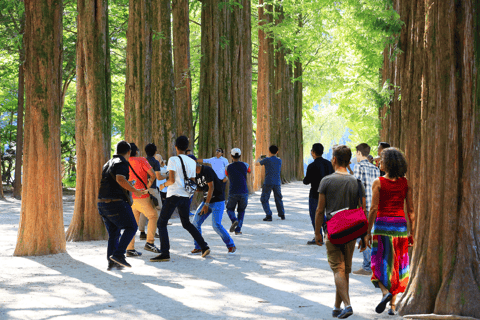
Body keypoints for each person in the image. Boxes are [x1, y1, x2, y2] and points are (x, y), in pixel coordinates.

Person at [314, 145, 368, 319]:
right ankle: (337, 307)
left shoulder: (327, 181)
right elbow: (363, 209)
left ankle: (348, 304)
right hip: (351, 232)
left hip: (333, 230)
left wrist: (317, 233)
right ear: (349, 161)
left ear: (334, 160)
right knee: (345, 271)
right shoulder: (356, 181)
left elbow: (319, 210)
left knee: (338, 269)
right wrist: (364, 235)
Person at [366, 147, 414, 315]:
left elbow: (373, 209)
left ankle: (385, 293)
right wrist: (412, 232)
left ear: (388, 164)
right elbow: (411, 211)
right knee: (397, 264)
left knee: (378, 262)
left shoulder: (378, 182)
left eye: (382, 160)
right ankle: (392, 307)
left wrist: (367, 232)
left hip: (382, 227)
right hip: (400, 228)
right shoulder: (405, 182)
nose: (379, 162)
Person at [151, 136, 210, 262]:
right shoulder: (192, 162)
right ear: (187, 147)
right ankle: (204, 246)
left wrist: (163, 185)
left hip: (174, 194)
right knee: (186, 223)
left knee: (161, 223)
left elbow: (171, 180)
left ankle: (165, 253)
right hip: (185, 196)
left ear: (176, 147)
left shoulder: (173, 159)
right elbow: (193, 181)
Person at [97, 141, 147, 269]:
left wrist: (129, 184)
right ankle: (119, 255)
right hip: (116, 203)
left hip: (102, 203)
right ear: (129, 152)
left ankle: (113, 263)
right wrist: (135, 190)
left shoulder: (107, 163)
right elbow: (120, 179)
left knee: (114, 233)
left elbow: (116, 181)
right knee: (132, 227)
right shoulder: (122, 162)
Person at [191, 160, 236, 254]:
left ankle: (231, 245)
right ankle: (199, 246)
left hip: (217, 201)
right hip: (206, 201)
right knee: (195, 223)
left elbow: (211, 187)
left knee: (216, 225)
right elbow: (202, 188)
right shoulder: (195, 174)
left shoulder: (207, 170)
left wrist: (206, 205)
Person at [126, 143, 161, 256]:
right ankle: (150, 242)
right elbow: (152, 175)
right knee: (153, 216)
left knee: (132, 223)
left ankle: (130, 248)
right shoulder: (141, 160)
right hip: (142, 195)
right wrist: (148, 186)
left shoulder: (124, 163)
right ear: (136, 152)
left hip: (130, 197)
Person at [352, 143, 380, 275]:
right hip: (375, 205)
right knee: (370, 235)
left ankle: (367, 266)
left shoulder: (358, 166)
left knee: (361, 235)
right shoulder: (375, 169)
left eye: (356, 154)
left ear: (358, 153)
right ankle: (373, 264)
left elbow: (357, 187)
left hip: (363, 207)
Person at [303, 143, 334, 245]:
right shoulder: (329, 164)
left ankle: (318, 236)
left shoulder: (311, 166)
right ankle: (327, 228)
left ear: (313, 152)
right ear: (322, 152)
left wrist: (306, 178)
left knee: (314, 214)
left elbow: (306, 181)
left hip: (315, 194)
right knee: (327, 213)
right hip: (328, 193)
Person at [138, 143, 167, 241]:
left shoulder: (142, 161)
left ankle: (142, 232)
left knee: (144, 210)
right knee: (159, 208)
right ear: (155, 152)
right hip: (152, 188)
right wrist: (168, 176)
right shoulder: (155, 162)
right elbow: (158, 176)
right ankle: (153, 231)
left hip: (142, 189)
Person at [255, 145, 285, 221]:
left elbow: (256, 164)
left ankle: (269, 214)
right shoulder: (279, 160)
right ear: (277, 152)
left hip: (268, 181)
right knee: (278, 198)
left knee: (264, 199)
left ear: (269, 151)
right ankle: (282, 214)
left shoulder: (267, 160)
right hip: (277, 182)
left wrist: (259, 158)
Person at [225, 148, 251, 235]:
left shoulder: (228, 167)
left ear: (231, 156)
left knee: (229, 209)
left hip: (233, 191)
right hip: (244, 191)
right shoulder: (246, 165)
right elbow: (249, 171)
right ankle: (238, 229)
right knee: (241, 211)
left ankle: (234, 220)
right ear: (240, 156)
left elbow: (226, 174)